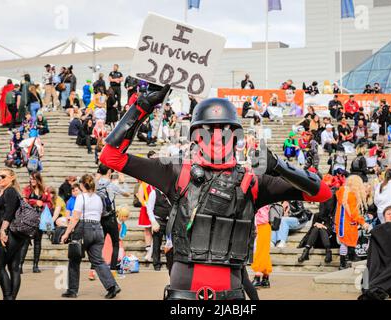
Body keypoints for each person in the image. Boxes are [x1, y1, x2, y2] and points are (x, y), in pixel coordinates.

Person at [99, 85, 332, 300]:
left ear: (236, 137)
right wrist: (144, 105)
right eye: (209, 130)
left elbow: (322, 193)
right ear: (196, 136)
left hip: (230, 289)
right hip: (185, 287)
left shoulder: (254, 182)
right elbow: (110, 156)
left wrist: (280, 166)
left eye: (225, 130)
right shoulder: (175, 172)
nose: (217, 136)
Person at [60, 174, 121, 299]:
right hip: (97, 228)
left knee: (74, 259)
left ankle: (72, 290)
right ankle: (112, 286)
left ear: (82, 185)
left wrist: (66, 233)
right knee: (98, 260)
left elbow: (76, 217)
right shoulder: (98, 198)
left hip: (83, 228)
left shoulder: (81, 198)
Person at [0, 169, 25, 299]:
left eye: (3, 176)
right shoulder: (10, 192)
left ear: (12, 177)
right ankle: (10, 298)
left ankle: (8, 297)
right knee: (14, 267)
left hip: (11, 233)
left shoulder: (10, 191)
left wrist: (2, 231)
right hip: (17, 234)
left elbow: (9, 213)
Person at [95, 165, 130, 276]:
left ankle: (93, 269)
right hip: (110, 218)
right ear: (109, 171)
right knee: (115, 243)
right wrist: (122, 181)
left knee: (99, 244)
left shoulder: (95, 184)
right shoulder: (111, 185)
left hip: (99, 218)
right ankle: (113, 270)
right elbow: (127, 193)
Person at [298, 178, 342, 263]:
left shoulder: (335, 215)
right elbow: (311, 230)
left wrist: (323, 226)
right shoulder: (317, 215)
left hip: (331, 239)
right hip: (318, 241)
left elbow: (334, 228)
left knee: (321, 229)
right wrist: (303, 240)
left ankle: (306, 252)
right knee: (316, 228)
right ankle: (327, 252)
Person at [20, 172, 53, 273]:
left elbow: (50, 204)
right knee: (25, 242)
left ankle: (35, 265)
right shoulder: (27, 189)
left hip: (40, 219)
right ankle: (20, 265)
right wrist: (34, 202)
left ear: (38, 179)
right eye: (31, 179)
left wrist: (42, 203)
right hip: (29, 219)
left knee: (38, 242)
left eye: (34, 179)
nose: (32, 181)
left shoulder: (45, 190)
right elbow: (23, 202)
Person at [335, 175, 369, 270]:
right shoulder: (352, 195)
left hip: (340, 222)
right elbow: (354, 213)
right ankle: (344, 262)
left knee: (343, 243)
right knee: (346, 242)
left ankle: (343, 263)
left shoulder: (343, 191)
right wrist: (363, 222)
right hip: (347, 223)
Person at [146, 185, 172, 271]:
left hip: (169, 221)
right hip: (158, 221)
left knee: (170, 243)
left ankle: (170, 264)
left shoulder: (170, 194)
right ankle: (156, 264)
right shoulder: (154, 193)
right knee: (157, 243)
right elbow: (149, 208)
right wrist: (153, 222)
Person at [251, 205, 272, 289]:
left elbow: (261, 216)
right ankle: (265, 278)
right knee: (264, 251)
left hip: (262, 226)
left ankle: (258, 276)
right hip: (264, 226)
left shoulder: (261, 199)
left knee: (260, 251)